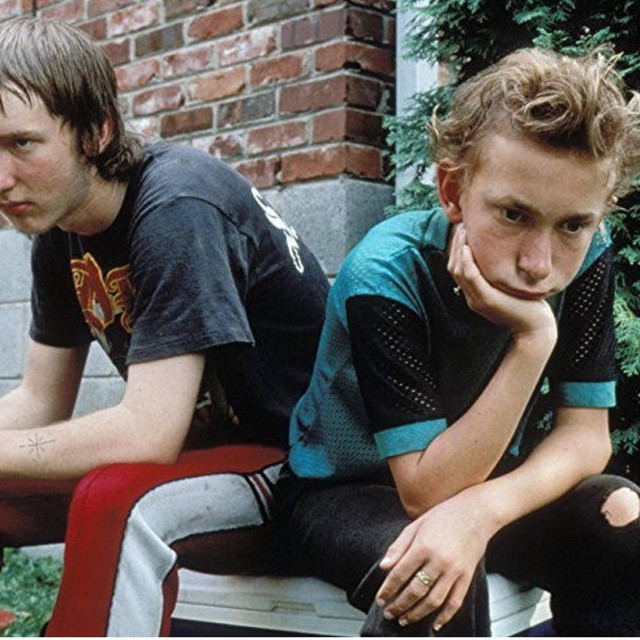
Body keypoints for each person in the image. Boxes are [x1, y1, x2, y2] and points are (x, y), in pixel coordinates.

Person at [275, 46, 640, 636]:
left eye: (574, 224)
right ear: (452, 191)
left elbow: (585, 437)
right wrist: (533, 338)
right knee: (433, 571)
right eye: (514, 215)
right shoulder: (384, 273)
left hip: (479, 481)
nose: (538, 263)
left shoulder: (589, 257)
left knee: (622, 513)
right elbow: (427, 491)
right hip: (344, 491)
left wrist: (481, 512)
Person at [0, 15, 329, 637]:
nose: (1, 178)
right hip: (206, 455)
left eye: (22, 144)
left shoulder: (177, 205)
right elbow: (40, 401)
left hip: (300, 467)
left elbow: (147, 433)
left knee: (117, 500)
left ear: (96, 131)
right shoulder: (59, 229)